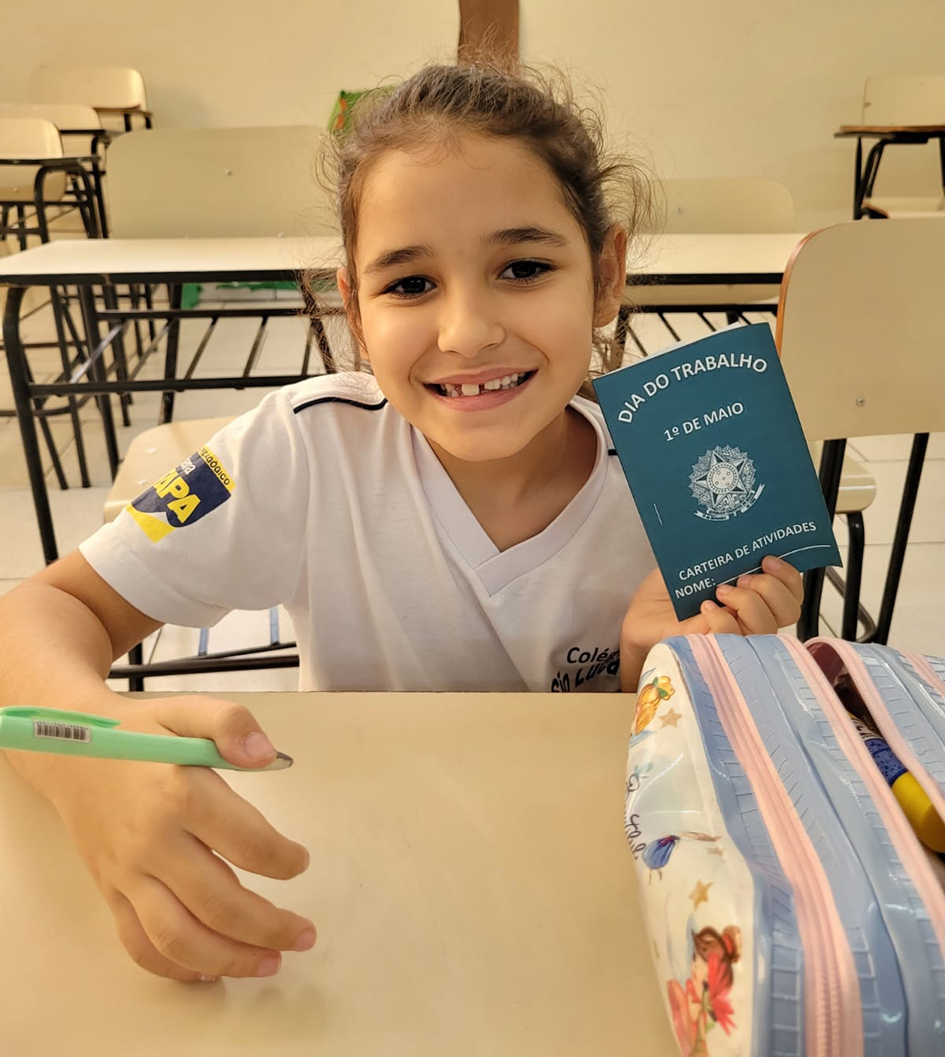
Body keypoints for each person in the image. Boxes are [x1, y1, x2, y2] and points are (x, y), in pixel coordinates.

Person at [0, 62, 802, 985]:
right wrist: (86, 762)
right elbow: (42, 612)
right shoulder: (299, 450)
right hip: (358, 900)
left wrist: (652, 673)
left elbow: (695, 790)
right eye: (411, 283)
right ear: (353, 306)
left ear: (605, 275)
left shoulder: (684, 484)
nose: (466, 331)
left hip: (594, 916)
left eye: (524, 268)